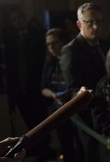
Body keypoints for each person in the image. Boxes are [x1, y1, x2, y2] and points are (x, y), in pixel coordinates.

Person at [60, 2, 110, 162]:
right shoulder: (70, 50)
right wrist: (80, 93)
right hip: (88, 115)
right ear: (79, 24)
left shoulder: (106, 45)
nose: (96, 27)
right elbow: (71, 88)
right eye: (91, 22)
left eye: (100, 22)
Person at [3, 9, 56, 161]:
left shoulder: (37, 35)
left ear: (25, 18)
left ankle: (45, 150)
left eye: (19, 17)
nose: (17, 21)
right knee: (30, 123)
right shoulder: (10, 39)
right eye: (13, 19)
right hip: (21, 90)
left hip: (36, 88)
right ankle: (38, 150)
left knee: (41, 123)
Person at [41, 28, 81, 162]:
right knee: (65, 143)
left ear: (63, 42)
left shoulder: (72, 59)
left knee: (80, 144)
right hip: (57, 109)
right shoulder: (49, 63)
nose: (51, 47)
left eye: (54, 43)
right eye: (48, 44)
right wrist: (52, 94)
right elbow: (43, 87)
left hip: (75, 108)